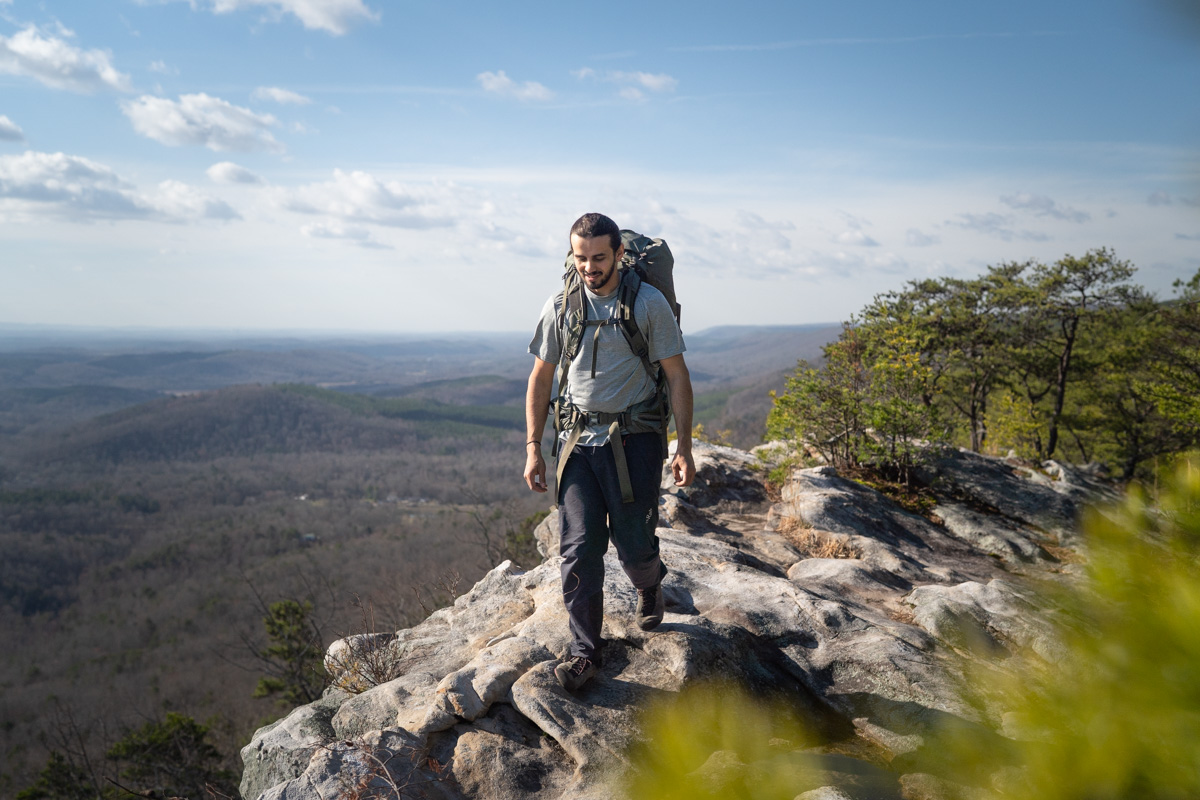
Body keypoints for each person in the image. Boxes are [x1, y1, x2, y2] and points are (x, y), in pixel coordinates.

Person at [524, 212, 695, 692]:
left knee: (633, 544)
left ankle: (649, 582)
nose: (590, 267)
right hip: (577, 442)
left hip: (635, 439)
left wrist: (683, 447)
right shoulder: (561, 305)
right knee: (578, 549)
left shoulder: (648, 303)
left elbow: (677, 376)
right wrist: (534, 447)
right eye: (581, 258)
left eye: (599, 257)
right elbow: (540, 377)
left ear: (619, 254)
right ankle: (584, 653)